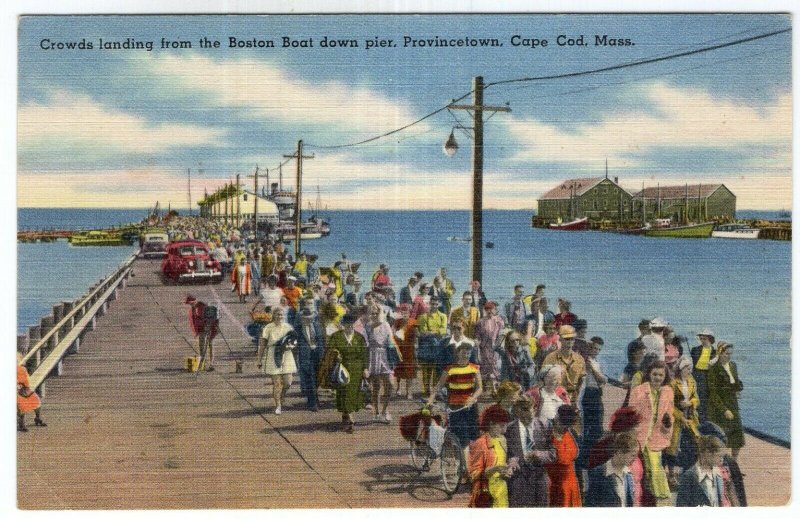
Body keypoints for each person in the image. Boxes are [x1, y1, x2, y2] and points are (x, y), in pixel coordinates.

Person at [628, 360, 674, 505]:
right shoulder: (639, 390)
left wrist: (668, 423)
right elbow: (631, 413)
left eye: (661, 375)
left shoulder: (668, 391)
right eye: (655, 374)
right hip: (639, 434)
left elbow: (670, 413)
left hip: (656, 435)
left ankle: (659, 496)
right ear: (649, 374)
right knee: (638, 466)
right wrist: (632, 432)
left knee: (654, 466)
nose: (658, 378)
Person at [428, 342, 483, 455]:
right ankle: (463, 465)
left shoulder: (474, 368)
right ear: (457, 353)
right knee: (461, 437)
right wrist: (430, 400)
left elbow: (480, 388)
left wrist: (472, 398)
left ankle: (467, 463)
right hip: (455, 407)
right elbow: (438, 386)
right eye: (463, 352)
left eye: (468, 353)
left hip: (470, 407)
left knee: (474, 436)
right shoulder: (449, 369)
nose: (466, 355)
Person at [586, 406, 645, 507]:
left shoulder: (635, 444)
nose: (639, 430)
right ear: (625, 428)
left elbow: (643, 479)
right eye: (636, 426)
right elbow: (594, 490)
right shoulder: (601, 448)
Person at [504, 395, 555, 507]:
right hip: (518, 481)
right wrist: (509, 462)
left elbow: (553, 453)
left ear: (535, 409)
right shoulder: (508, 430)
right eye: (524, 409)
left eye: (531, 408)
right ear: (517, 411)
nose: (528, 413)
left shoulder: (545, 426)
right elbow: (504, 455)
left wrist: (540, 455)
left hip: (540, 480)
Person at [327, 313, 369, 433]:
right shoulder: (336, 336)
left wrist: (365, 368)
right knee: (344, 392)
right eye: (346, 324)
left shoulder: (359, 337)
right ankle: (350, 419)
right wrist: (336, 355)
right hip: (342, 369)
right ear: (343, 325)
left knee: (352, 393)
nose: (349, 327)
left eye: (351, 325)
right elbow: (330, 351)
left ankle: (346, 416)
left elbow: (364, 354)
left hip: (356, 369)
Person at [467, 405, 513, 508]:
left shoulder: (502, 440)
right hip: (486, 495)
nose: (504, 431)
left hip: (501, 491)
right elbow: (473, 474)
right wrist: (495, 469)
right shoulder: (480, 443)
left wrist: (507, 471)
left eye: (506, 426)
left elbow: (502, 464)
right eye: (501, 426)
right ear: (491, 424)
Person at [706, 342, 744, 459]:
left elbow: (736, 382)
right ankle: (720, 464)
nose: (729, 356)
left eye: (730, 354)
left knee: (737, 437)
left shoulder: (733, 365)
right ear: (720, 353)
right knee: (720, 438)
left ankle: (734, 464)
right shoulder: (713, 369)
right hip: (719, 408)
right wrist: (724, 410)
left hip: (733, 404)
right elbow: (713, 393)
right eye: (726, 354)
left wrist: (738, 388)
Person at [256, 307, 297, 415]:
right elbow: (262, 345)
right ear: (274, 316)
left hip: (286, 355)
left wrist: (290, 346)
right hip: (273, 354)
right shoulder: (268, 327)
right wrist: (259, 359)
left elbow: (294, 340)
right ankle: (278, 405)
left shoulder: (288, 327)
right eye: (277, 315)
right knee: (277, 383)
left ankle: (282, 395)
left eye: (281, 315)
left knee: (288, 382)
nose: (280, 317)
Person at [665, 357, 700, 482]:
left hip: (690, 418)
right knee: (673, 447)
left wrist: (690, 403)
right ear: (681, 369)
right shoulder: (673, 383)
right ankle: (671, 474)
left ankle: (687, 470)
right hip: (677, 420)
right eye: (687, 368)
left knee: (693, 444)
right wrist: (680, 416)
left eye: (690, 368)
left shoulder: (691, 381)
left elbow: (697, 398)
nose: (689, 371)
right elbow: (669, 404)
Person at [364, 307, 401, 423]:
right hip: (373, 355)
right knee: (376, 387)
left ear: (381, 313)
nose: (375, 315)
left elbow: (391, 342)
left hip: (385, 355)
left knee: (390, 384)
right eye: (372, 313)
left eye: (377, 313)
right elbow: (365, 343)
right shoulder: (368, 326)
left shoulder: (385, 325)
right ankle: (377, 412)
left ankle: (385, 410)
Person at [585, 432, 640, 507]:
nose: (635, 459)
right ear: (619, 452)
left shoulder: (628, 474)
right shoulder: (599, 473)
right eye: (632, 455)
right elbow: (591, 504)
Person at [676, 434, 729, 507]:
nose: (721, 460)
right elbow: (681, 506)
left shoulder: (718, 474)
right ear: (708, 453)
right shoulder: (689, 476)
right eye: (719, 456)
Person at [545, 405, 582, 507]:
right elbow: (560, 458)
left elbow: (574, 454)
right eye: (564, 423)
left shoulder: (569, 433)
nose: (566, 427)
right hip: (557, 485)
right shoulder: (548, 434)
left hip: (571, 483)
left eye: (568, 425)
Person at [580, 337, 607, 469]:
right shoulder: (585, 361)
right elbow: (601, 379)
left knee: (597, 429)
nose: (596, 351)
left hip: (596, 394)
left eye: (598, 349)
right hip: (588, 395)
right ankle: (585, 458)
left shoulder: (596, 362)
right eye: (594, 348)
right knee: (589, 427)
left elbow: (603, 379)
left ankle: (590, 456)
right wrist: (599, 376)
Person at [415, 296, 448, 396]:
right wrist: (435, 332)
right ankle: (426, 390)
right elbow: (423, 332)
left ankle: (435, 390)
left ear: (438, 304)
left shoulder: (443, 316)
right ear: (429, 304)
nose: (434, 306)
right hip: (426, 345)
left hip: (439, 345)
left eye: (436, 304)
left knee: (437, 368)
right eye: (432, 304)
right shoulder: (423, 317)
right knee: (426, 368)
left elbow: (443, 331)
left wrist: (431, 332)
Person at [543, 325, 585, 404]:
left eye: (572, 339)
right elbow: (543, 379)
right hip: (555, 398)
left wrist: (576, 398)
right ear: (560, 339)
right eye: (567, 339)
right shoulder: (550, 358)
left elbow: (581, 380)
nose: (570, 341)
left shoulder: (580, 359)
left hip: (573, 399)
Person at [295, 307, 326, 412]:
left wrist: (322, 355)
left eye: (310, 318)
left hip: (317, 355)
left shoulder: (317, 326)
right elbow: (295, 345)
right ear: (302, 319)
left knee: (317, 378)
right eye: (305, 318)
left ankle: (314, 398)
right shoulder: (298, 329)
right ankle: (312, 402)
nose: (308, 320)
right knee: (309, 379)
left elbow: (322, 341)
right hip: (305, 356)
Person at [474, 301, 505, 396]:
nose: (489, 311)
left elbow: (502, 334)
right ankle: (485, 389)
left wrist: (498, 345)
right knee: (485, 368)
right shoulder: (480, 322)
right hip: (484, 349)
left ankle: (495, 389)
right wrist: (477, 346)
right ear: (484, 310)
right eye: (487, 309)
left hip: (495, 348)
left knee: (494, 368)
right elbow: (477, 336)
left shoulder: (499, 321)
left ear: (494, 309)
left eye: (491, 309)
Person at [185, 295, 219, 371]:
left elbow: (209, 319)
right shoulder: (193, 309)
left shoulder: (202, 307)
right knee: (201, 347)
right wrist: (196, 332)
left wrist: (210, 328)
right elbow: (194, 322)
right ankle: (202, 364)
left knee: (210, 345)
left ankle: (211, 364)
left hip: (209, 328)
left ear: (195, 301)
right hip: (201, 330)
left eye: (191, 303)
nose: (190, 305)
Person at [690, 329, 718, 421]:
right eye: (701, 338)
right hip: (696, 375)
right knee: (695, 397)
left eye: (704, 338)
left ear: (710, 339)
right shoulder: (695, 350)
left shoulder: (715, 352)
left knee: (705, 398)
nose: (702, 340)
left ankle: (703, 419)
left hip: (707, 376)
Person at [391, 303, 417, 400]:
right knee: (398, 370)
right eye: (403, 311)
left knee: (409, 372)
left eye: (406, 311)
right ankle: (398, 389)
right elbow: (392, 333)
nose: (405, 313)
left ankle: (409, 392)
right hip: (399, 349)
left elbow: (416, 335)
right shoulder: (397, 322)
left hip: (409, 349)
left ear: (409, 312)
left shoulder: (413, 322)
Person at [17, 353, 46, 432]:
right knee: (21, 404)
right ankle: (21, 424)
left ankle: (38, 418)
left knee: (36, 399)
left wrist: (24, 387)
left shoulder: (22, 369)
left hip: (23, 389)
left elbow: (26, 381)